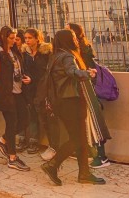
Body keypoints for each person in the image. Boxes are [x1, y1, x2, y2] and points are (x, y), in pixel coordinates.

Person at [40, 30, 106, 186]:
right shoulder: (68, 56)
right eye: (74, 38)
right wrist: (88, 73)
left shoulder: (55, 56)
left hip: (60, 103)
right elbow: (72, 72)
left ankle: (84, 173)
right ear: (68, 40)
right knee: (78, 139)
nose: (76, 40)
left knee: (80, 139)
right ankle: (53, 165)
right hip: (71, 102)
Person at [0, 26, 31, 171]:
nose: (14, 41)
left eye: (15, 38)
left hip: (19, 91)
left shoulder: (15, 51)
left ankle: (2, 139)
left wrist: (26, 78)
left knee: (25, 119)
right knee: (11, 123)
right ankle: (12, 158)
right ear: (4, 37)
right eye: (11, 38)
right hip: (6, 94)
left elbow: (18, 69)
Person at [67, 22, 112, 169]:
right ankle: (91, 152)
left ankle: (102, 156)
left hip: (88, 91)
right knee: (85, 123)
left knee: (94, 123)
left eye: (68, 31)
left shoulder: (82, 51)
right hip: (82, 90)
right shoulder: (75, 50)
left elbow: (87, 71)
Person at [22, 28, 58, 159]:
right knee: (32, 115)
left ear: (37, 38)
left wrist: (33, 79)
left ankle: (52, 146)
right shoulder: (25, 54)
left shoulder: (45, 53)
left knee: (46, 118)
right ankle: (33, 141)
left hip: (43, 90)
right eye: (25, 38)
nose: (27, 41)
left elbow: (46, 73)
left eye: (30, 38)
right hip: (29, 90)